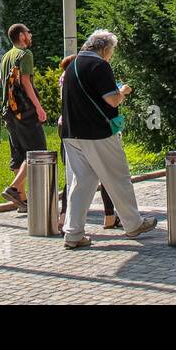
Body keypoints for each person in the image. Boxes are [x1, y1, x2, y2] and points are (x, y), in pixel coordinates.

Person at [59, 29, 158, 249]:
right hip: (97, 132)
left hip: (71, 132)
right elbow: (112, 100)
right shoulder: (99, 65)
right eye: (111, 51)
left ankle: (73, 234)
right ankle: (133, 224)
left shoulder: (73, 64)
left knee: (81, 183)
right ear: (104, 49)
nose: (110, 56)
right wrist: (123, 90)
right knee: (118, 176)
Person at [57, 55, 119, 230]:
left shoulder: (65, 78)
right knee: (105, 172)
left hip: (67, 127)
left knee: (74, 176)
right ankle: (111, 216)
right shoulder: (85, 76)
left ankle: (65, 219)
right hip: (89, 128)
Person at [0, 23, 47, 212]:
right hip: (24, 111)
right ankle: (13, 188)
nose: (30, 34)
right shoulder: (25, 55)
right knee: (37, 150)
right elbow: (26, 82)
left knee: (18, 152)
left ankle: (22, 200)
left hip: (8, 111)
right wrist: (39, 108)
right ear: (21, 36)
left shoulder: (6, 56)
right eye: (28, 32)